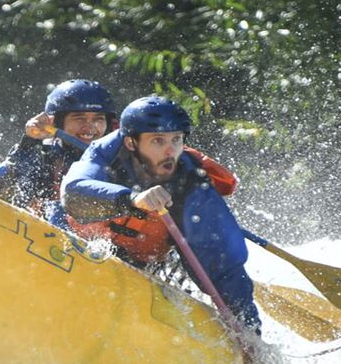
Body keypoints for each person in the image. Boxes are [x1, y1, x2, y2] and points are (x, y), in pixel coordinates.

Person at [60, 95, 261, 330]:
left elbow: (225, 267)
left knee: (218, 261)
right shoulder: (105, 152)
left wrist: (248, 331)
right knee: (56, 207)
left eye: (176, 139)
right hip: (77, 244)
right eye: (157, 140)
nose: (170, 151)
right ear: (130, 143)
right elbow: (73, 192)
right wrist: (132, 198)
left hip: (138, 263)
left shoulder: (192, 183)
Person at [0, 79, 116, 227]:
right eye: (79, 118)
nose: (90, 127)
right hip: (42, 241)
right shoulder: (44, 157)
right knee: (55, 211)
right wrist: (29, 143)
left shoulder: (119, 161)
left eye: (98, 119)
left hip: (99, 244)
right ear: (56, 122)